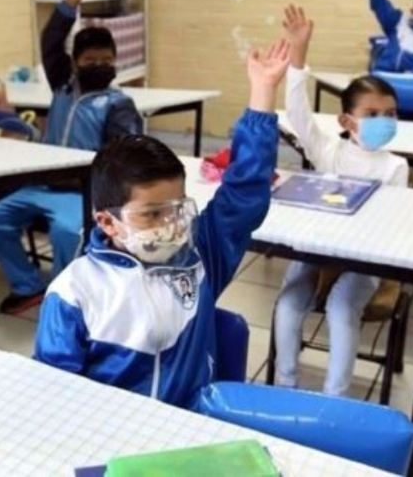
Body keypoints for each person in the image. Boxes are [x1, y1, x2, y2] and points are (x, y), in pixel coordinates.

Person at [32, 32, 288, 409]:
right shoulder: (75, 293)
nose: (172, 224)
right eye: (152, 213)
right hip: (114, 440)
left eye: (177, 207)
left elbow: (244, 195)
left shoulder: (200, 255)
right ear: (107, 222)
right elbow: (55, 396)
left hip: (189, 430)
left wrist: (262, 95)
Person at [0, 0, 143, 315]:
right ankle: (28, 286)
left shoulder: (118, 104)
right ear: (75, 63)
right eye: (90, 60)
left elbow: (125, 162)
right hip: (42, 185)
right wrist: (68, 4)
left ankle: (63, 299)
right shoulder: (63, 85)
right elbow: (50, 42)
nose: (99, 65)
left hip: (82, 192)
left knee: (67, 233)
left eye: (107, 60)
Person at [273, 5, 409, 397]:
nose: (384, 120)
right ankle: (285, 383)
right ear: (347, 121)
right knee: (288, 303)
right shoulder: (329, 152)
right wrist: (298, 55)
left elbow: (390, 227)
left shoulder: (395, 166)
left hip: (365, 260)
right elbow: (298, 114)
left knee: (340, 308)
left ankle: (336, 396)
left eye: (390, 113)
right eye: (372, 113)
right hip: (317, 248)